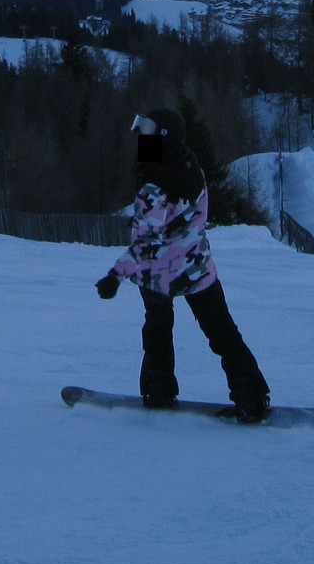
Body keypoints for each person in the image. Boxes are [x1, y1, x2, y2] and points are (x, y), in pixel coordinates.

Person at [96, 109, 271, 422]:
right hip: (196, 267)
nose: (142, 143)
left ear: (163, 141)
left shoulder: (154, 187)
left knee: (158, 332)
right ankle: (251, 395)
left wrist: (115, 276)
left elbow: (145, 244)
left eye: (148, 137)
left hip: (158, 275)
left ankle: (158, 388)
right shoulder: (190, 165)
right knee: (222, 332)